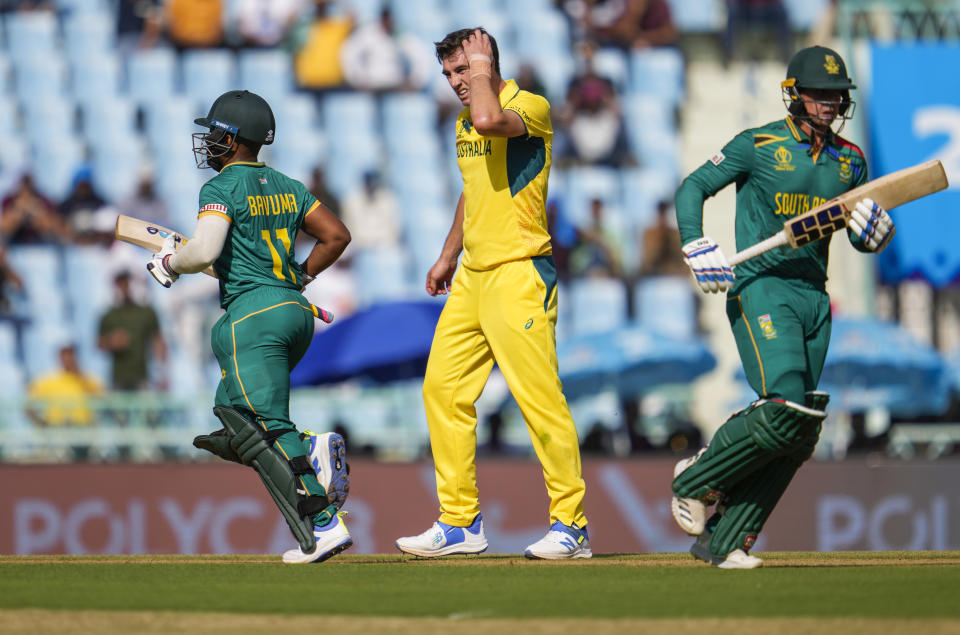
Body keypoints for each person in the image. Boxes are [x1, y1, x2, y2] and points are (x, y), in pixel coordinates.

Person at [669, 46, 895, 568]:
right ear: (794, 94)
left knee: (803, 429)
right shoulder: (759, 144)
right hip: (762, 287)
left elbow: (858, 230)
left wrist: (872, 235)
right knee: (786, 401)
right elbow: (694, 187)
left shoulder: (851, 160)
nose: (830, 103)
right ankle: (696, 478)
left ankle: (726, 540)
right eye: (819, 93)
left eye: (837, 95)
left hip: (815, 295)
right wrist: (695, 242)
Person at [394, 28, 591, 560]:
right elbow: (473, 188)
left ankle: (571, 526)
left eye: (462, 70)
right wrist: (448, 253)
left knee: (538, 400)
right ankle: (460, 523)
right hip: (474, 277)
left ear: (484, 62)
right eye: (450, 75)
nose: (456, 83)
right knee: (442, 390)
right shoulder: (464, 119)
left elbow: (488, 119)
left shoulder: (531, 106)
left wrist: (482, 70)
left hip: (520, 273)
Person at [145, 89, 353, 564]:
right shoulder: (289, 185)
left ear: (236, 140)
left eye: (216, 133)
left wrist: (171, 263)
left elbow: (204, 251)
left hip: (251, 317)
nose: (210, 141)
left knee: (266, 425)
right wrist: (298, 276)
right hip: (294, 311)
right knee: (238, 423)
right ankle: (304, 454)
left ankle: (322, 521)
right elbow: (337, 235)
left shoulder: (219, 189)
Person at [26, 344, 104, 460]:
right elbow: (29, 406)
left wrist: (80, 377)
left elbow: (104, 401)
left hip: (82, 427)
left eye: (70, 356)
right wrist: (42, 424)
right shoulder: (48, 380)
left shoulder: (88, 378)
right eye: (64, 356)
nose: (68, 360)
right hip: (56, 427)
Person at [97, 270, 168, 392]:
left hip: (142, 377)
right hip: (118, 378)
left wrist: (163, 372)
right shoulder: (109, 315)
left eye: (127, 283)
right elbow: (99, 343)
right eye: (121, 283)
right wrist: (111, 341)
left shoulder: (146, 313)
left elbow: (158, 341)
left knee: (145, 409)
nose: (125, 288)